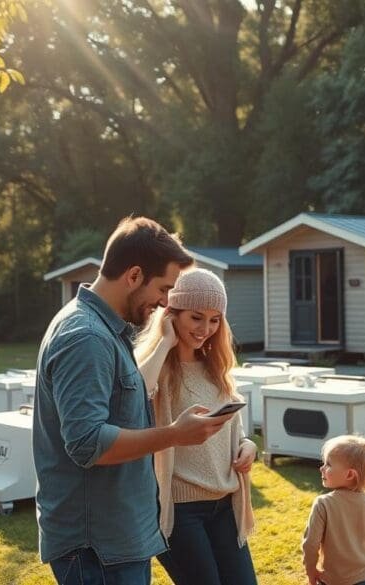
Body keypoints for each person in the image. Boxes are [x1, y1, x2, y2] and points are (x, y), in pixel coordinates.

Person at [33, 217, 237, 585]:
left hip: (119, 539)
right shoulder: (86, 337)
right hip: (97, 546)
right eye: (163, 289)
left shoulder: (106, 331)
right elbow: (87, 443)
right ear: (134, 275)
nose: (164, 302)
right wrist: (174, 434)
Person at [135, 268, 258, 585]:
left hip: (225, 505)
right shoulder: (156, 368)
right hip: (180, 511)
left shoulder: (216, 367)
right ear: (171, 313)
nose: (206, 328)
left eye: (215, 319)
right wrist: (164, 342)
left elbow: (237, 431)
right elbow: (133, 395)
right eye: (196, 317)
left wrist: (248, 447)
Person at [302, 435, 365, 585]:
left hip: (333, 580)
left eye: (328, 464)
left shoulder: (323, 504)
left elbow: (311, 544)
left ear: (350, 474)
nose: (321, 468)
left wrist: (310, 570)